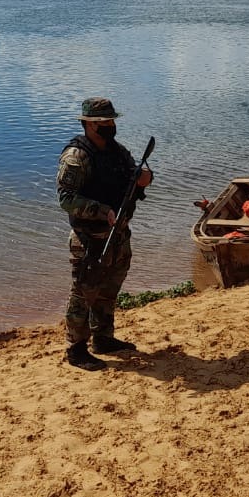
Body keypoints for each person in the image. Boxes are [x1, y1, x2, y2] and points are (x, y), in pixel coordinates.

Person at [57, 97, 154, 370]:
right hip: (90, 238)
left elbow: (129, 182)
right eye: (102, 122)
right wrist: (101, 211)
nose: (109, 126)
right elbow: (66, 199)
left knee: (109, 289)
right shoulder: (76, 157)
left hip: (119, 235)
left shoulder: (117, 151)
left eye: (111, 121)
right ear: (88, 124)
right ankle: (76, 348)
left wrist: (143, 180)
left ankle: (103, 337)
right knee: (83, 294)